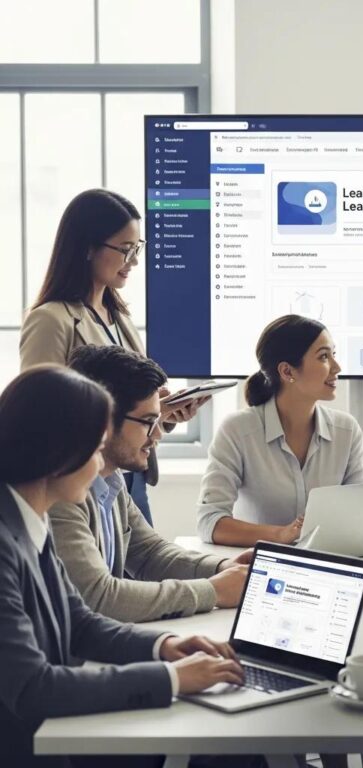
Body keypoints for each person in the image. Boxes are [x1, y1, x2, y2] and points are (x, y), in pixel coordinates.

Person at [0, 365, 244, 768]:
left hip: (54, 729)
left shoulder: (30, 517)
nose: (100, 467)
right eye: (95, 451)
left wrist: (163, 647)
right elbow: (32, 687)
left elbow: (79, 621)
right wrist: (173, 679)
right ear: (58, 454)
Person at [18, 188, 203, 525]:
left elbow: (126, 404)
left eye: (138, 249)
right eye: (125, 249)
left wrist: (163, 412)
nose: (133, 261)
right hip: (81, 481)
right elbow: (39, 414)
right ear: (88, 248)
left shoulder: (121, 318)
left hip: (128, 479)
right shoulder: (52, 319)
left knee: (141, 566)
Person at [46, 344, 250, 623]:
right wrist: (212, 591)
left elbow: (149, 553)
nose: (156, 436)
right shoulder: (59, 492)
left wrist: (224, 567)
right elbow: (98, 598)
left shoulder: (111, 480)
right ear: (102, 417)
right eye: (147, 422)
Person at [197, 315, 363, 546]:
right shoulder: (237, 430)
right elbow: (210, 522)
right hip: (256, 566)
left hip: (327, 563)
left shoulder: (346, 430)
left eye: (333, 355)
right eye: (324, 357)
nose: (337, 368)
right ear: (288, 371)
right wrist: (281, 535)